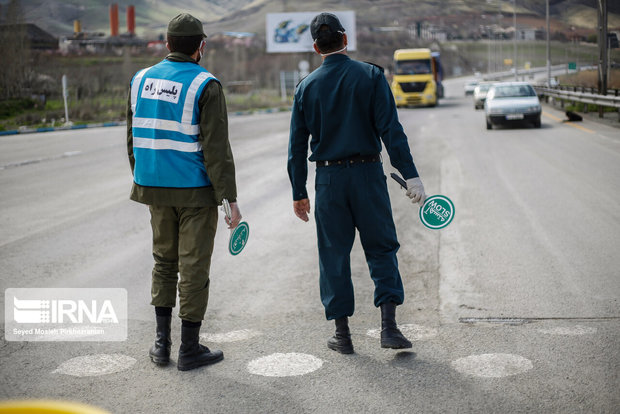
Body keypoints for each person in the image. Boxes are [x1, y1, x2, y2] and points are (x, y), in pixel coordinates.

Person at [287, 12, 427, 354]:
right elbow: (391, 132)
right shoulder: (371, 75)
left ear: (317, 47)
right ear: (344, 40)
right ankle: (389, 328)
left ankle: (343, 335)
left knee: (333, 255)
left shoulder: (306, 87)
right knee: (381, 248)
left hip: (329, 181)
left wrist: (299, 192)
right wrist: (411, 175)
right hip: (367, 176)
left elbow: (295, 147)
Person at [127, 13, 241, 371]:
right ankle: (189, 349)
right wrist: (229, 200)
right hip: (194, 191)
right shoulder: (206, 85)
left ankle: (161, 345)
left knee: (164, 261)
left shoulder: (140, 79)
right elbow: (216, 150)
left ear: (167, 44)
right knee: (193, 266)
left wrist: (144, 176)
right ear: (200, 47)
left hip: (154, 187)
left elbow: (133, 138)